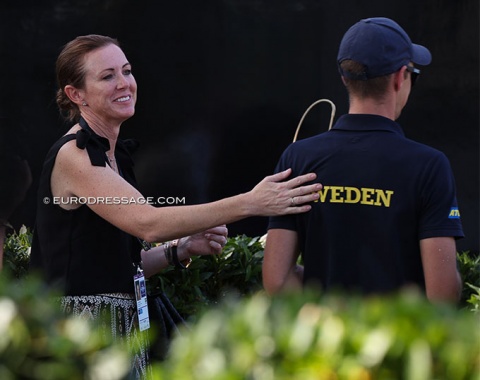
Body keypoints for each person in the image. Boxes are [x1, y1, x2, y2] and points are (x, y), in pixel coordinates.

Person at [28, 35, 322, 379]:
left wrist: (178, 250)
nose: (124, 83)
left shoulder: (114, 155)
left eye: (127, 71)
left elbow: (113, 267)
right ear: (76, 94)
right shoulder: (75, 154)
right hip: (76, 340)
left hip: (114, 335)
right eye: (107, 76)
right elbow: (148, 223)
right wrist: (251, 202)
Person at [263, 17, 464, 304]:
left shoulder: (298, 157)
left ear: (345, 78)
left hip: (319, 346)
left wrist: (332, 315)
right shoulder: (430, 166)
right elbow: (442, 294)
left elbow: (276, 280)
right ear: (399, 77)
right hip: (400, 345)